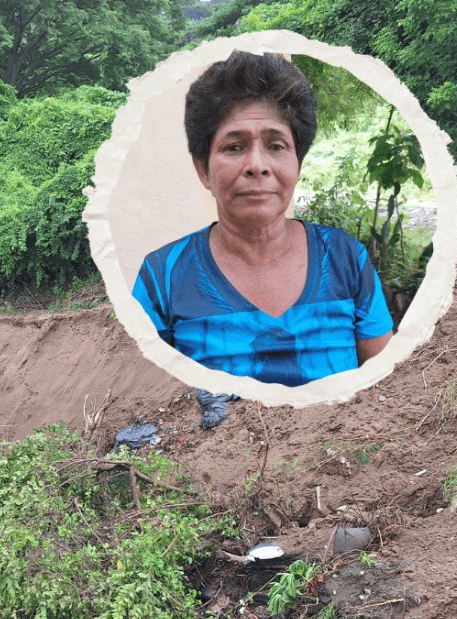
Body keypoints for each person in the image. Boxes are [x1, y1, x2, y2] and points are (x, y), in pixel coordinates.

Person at [132, 51, 393, 387]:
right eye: (234, 147)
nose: (257, 164)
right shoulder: (162, 277)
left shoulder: (346, 258)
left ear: (297, 162)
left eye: (276, 145)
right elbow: (148, 403)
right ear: (203, 169)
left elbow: (387, 389)